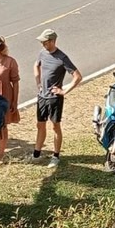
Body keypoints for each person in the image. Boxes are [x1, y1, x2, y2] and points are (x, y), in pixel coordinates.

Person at [33, 28, 82, 168]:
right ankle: (36, 154)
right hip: (42, 96)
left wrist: (64, 91)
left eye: (45, 42)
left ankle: (56, 156)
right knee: (40, 125)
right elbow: (36, 65)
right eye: (42, 42)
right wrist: (38, 82)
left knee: (55, 126)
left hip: (54, 98)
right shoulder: (42, 53)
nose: (43, 44)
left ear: (53, 41)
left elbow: (77, 77)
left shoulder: (62, 58)